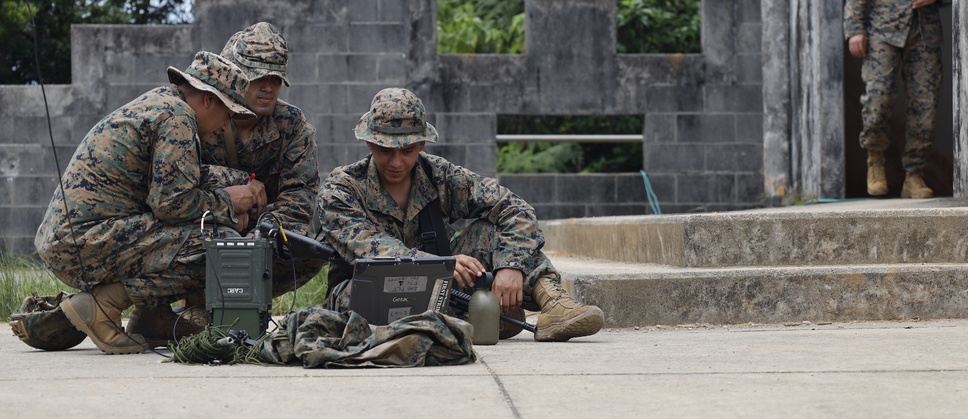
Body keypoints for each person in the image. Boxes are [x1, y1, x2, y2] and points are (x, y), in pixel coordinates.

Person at [314, 87, 605, 342]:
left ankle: (553, 305)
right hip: (370, 292)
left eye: (408, 150)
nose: (396, 161)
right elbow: (371, 251)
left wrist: (510, 265)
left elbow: (514, 208)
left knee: (490, 234)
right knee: (361, 297)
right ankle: (474, 315)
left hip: (441, 288)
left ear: (422, 144)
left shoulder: (438, 175)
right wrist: (439, 264)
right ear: (369, 142)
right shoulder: (341, 190)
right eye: (385, 150)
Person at [34, 51, 266, 354]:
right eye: (228, 114)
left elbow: (178, 176)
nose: (226, 127)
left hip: (75, 238)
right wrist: (227, 207)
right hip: (84, 242)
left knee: (202, 234)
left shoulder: (163, 104)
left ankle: (152, 319)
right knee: (219, 245)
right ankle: (102, 306)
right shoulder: (178, 117)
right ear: (209, 100)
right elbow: (172, 204)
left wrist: (240, 183)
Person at [843, 0, 952, 199]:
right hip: (882, 34)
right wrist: (855, 30)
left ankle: (914, 175)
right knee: (877, 103)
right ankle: (875, 160)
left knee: (925, 107)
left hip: (924, 34)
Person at [199, 22, 325, 298]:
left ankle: (247, 300)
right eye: (257, 78)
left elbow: (299, 198)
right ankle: (185, 305)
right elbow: (178, 185)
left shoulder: (292, 125)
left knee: (311, 252)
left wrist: (259, 237)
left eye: (276, 79)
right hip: (204, 223)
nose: (268, 87)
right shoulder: (202, 114)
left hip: (263, 231)